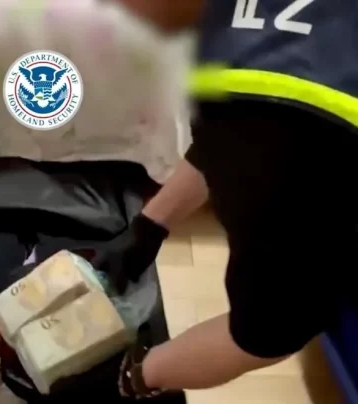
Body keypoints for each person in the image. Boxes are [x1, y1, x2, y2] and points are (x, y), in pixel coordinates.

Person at [93, 0, 358, 398]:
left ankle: (144, 238)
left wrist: (147, 228)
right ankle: (136, 378)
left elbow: (235, 138)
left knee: (255, 138)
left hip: (234, 65)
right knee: (267, 332)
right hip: (327, 120)